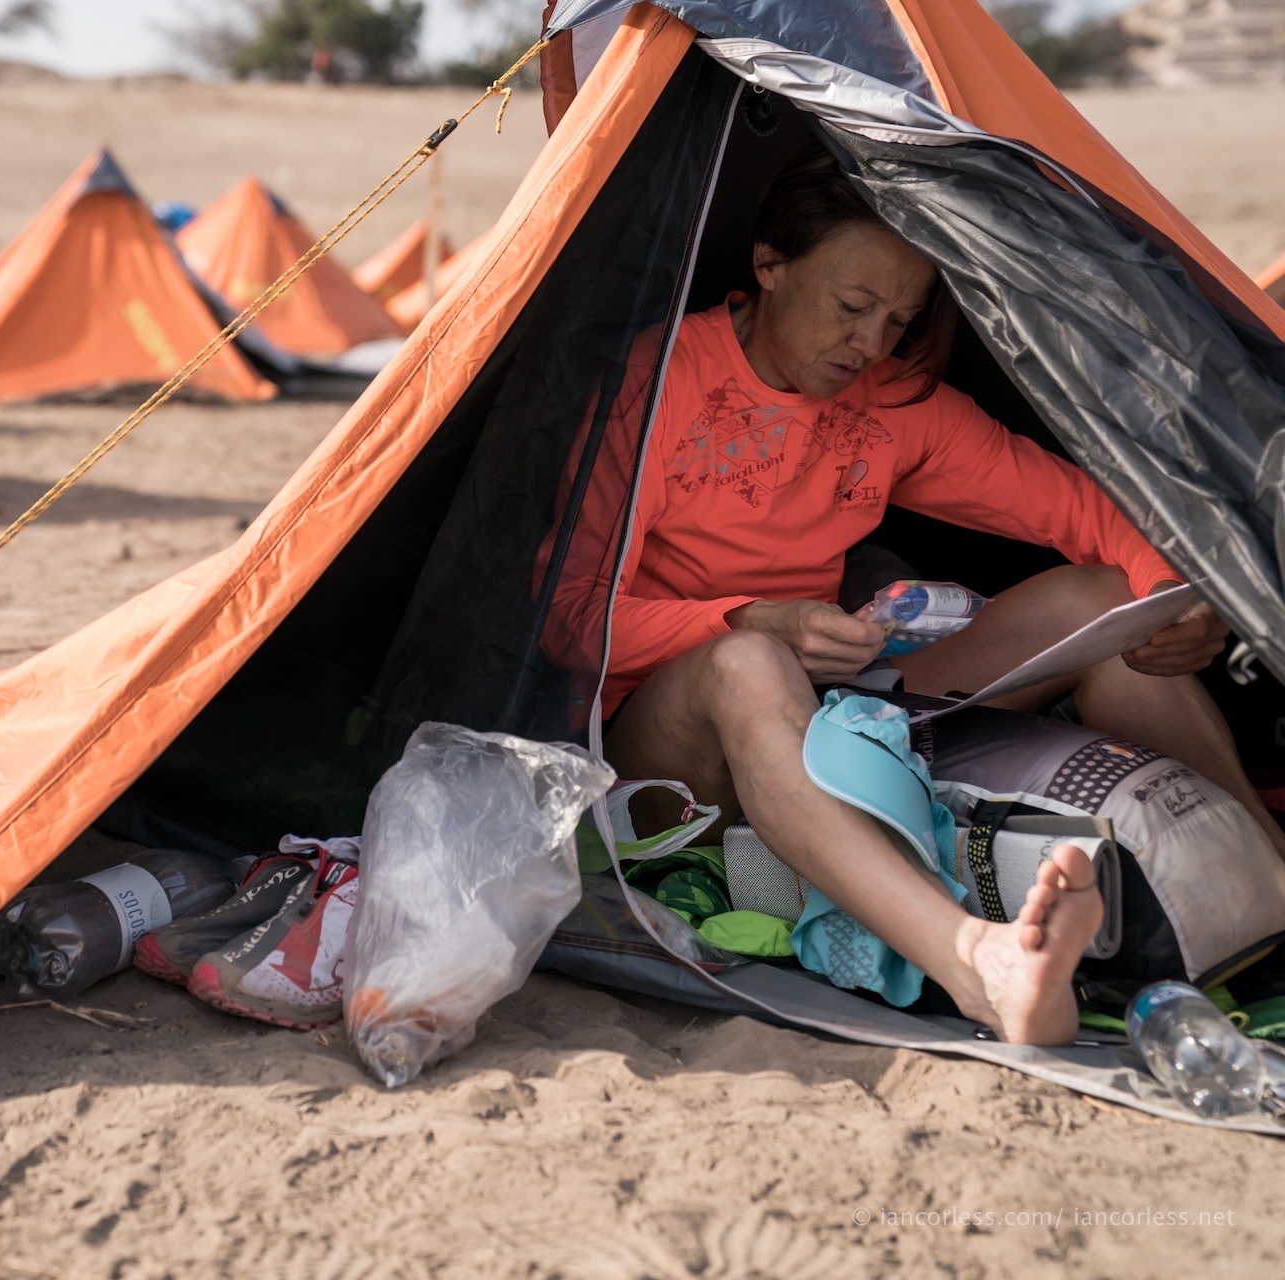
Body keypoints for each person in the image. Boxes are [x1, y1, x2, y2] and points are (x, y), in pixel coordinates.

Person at [546, 151, 1283, 1046]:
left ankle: (1276, 876)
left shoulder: (892, 401)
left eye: (898, 320)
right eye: (852, 307)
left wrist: (1180, 602)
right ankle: (978, 967)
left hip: (830, 712)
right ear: (770, 263)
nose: (870, 345)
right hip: (673, 752)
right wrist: (745, 619)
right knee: (747, 664)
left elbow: (1083, 512)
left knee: (1104, 596)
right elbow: (567, 617)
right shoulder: (654, 383)